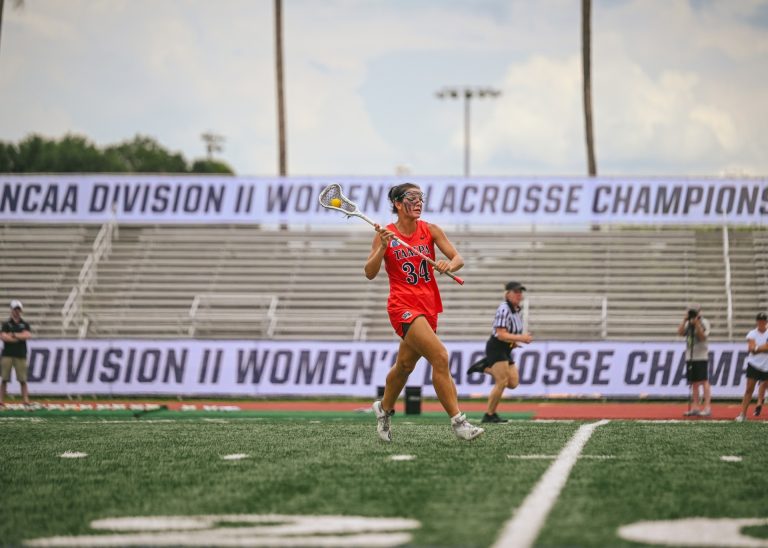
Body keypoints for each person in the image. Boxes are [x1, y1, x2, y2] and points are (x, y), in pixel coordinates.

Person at [365, 182, 484, 442]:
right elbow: (369, 273)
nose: (419, 202)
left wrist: (447, 264)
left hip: (428, 306)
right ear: (398, 203)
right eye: (412, 198)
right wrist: (383, 247)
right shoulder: (385, 234)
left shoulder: (430, 230)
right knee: (440, 356)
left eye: (421, 198)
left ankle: (383, 409)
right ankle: (459, 422)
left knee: (405, 366)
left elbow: (458, 259)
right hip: (402, 306)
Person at [467, 281, 533, 423]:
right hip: (496, 347)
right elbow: (500, 334)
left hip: (506, 348)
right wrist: (521, 338)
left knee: (513, 382)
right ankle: (489, 414)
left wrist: (514, 343)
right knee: (502, 381)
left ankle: (485, 367)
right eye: (515, 292)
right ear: (507, 294)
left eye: (520, 292)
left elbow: (509, 333)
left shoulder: (517, 310)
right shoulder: (504, 309)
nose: (519, 295)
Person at [676, 304, 711, 417]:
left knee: (704, 381)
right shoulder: (687, 323)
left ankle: (707, 407)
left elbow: (702, 337)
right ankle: (695, 407)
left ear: (700, 312)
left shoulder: (704, 322)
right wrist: (684, 320)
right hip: (690, 356)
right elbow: (680, 332)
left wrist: (696, 324)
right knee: (694, 383)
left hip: (701, 355)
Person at [735, 312, 768, 422]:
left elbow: (758, 348)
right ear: (757, 321)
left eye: (763, 320)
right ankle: (743, 414)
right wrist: (761, 348)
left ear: (766, 321)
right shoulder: (752, 333)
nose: (761, 322)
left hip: (766, 365)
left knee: (763, 388)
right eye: (759, 320)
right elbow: (751, 349)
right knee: (749, 389)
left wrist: (757, 348)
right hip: (754, 364)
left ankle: (759, 403)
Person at [1, 300, 33, 407]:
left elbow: (27, 335)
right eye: (15, 309)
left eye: (18, 309)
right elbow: (4, 337)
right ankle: (1, 400)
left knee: (23, 379)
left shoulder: (25, 324)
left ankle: (25, 400)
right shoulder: (6, 324)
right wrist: (19, 336)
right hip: (7, 354)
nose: (17, 311)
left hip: (20, 354)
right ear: (11, 310)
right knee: (4, 379)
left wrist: (13, 335)